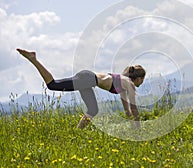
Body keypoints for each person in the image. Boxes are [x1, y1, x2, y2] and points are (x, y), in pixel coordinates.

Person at [16, 48, 146, 129]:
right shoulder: (130, 84)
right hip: (88, 79)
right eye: (143, 80)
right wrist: (139, 129)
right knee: (52, 85)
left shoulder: (124, 83)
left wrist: (132, 122)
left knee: (93, 110)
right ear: (139, 78)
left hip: (88, 80)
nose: (142, 83)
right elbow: (134, 108)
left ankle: (78, 131)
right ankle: (33, 58)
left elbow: (128, 110)